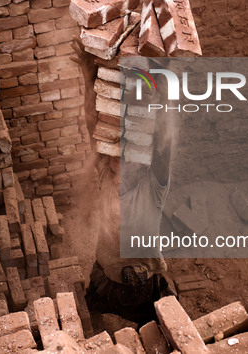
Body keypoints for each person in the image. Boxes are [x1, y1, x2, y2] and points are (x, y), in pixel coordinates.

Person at [70, 38, 175, 323]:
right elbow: (94, 122)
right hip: (106, 273)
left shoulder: (153, 184)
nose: (117, 160)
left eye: (126, 157)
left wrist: (162, 83)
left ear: (142, 163)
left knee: (159, 324)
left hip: (145, 280)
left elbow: (165, 142)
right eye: (114, 154)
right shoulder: (106, 172)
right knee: (91, 312)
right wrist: (88, 73)